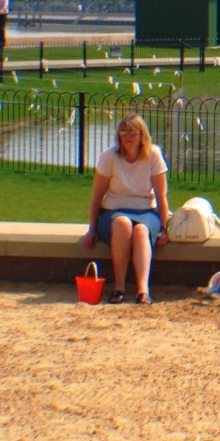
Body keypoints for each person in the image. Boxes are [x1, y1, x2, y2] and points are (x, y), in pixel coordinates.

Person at [81, 115, 169, 304]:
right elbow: (97, 195)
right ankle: (119, 287)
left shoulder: (153, 155)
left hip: (146, 210)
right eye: (123, 133)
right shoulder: (109, 157)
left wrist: (164, 228)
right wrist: (92, 229)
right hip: (113, 211)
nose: (127, 137)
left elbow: (161, 196)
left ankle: (143, 290)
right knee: (122, 224)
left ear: (141, 135)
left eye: (132, 133)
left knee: (140, 231)